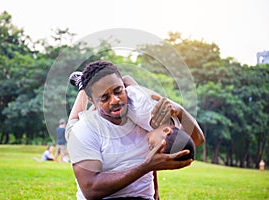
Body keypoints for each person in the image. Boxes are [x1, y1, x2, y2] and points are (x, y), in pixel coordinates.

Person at [66, 60, 204, 199]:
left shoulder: (155, 121)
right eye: (105, 97)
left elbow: (196, 140)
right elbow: (90, 190)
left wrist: (180, 110)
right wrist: (146, 166)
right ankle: (82, 86)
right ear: (91, 100)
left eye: (118, 90)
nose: (114, 100)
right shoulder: (144, 108)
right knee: (72, 126)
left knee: (113, 101)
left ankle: (100, 92)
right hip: (102, 113)